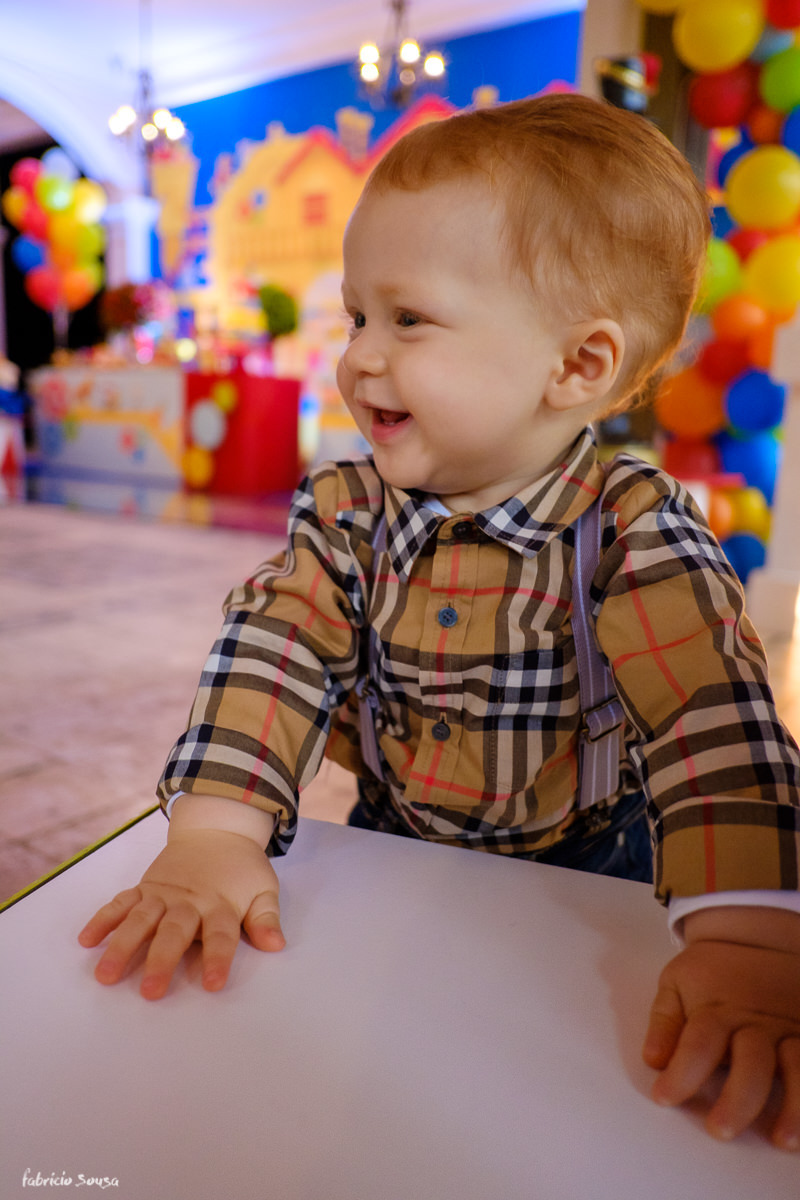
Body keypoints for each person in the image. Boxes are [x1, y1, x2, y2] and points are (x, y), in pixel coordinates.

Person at [79, 94, 800, 1150]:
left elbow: (707, 717)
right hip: (394, 835)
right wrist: (213, 835)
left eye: (406, 319)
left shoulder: (630, 528)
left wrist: (746, 940)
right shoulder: (345, 512)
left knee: (547, 1090)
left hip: (590, 859)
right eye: (356, 313)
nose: (360, 355)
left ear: (576, 367)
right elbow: (274, 654)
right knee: (357, 1061)